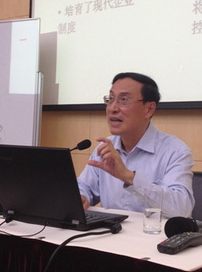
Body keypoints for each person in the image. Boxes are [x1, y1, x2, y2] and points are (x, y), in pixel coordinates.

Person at [77, 72, 195, 218]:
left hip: (155, 232)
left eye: (124, 100)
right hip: (111, 232)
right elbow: (85, 187)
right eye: (111, 99)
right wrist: (81, 196)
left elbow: (181, 210)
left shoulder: (175, 151)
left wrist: (129, 178)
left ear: (149, 109)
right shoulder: (105, 148)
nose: (112, 108)